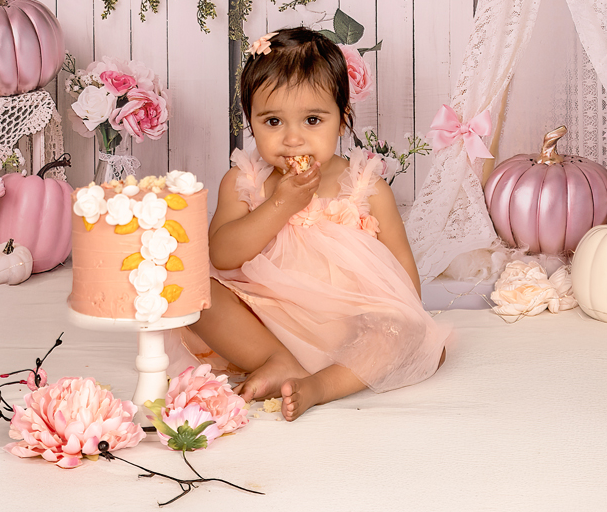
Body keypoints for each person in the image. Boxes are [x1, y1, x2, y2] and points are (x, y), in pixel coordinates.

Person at [177, 27, 449, 421]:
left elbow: (402, 270)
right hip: (264, 322)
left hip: (348, 326)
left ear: (342, 121)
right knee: (193, 290)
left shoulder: (366, 187)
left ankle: (322, 385)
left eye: (311, 120)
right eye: (273, 121)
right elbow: (220, 254)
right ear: (250, 121)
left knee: (408, 334)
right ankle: (276, 360)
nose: (293, 139)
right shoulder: (245, 181)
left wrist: (402, 321)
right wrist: (280, 204)